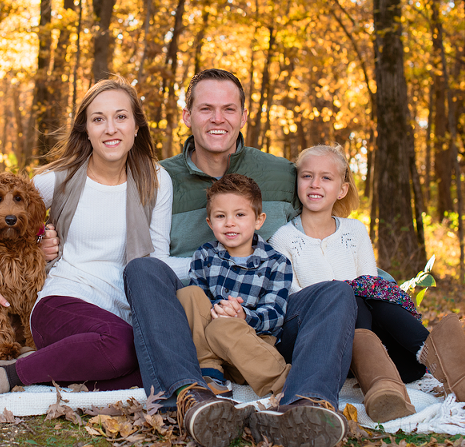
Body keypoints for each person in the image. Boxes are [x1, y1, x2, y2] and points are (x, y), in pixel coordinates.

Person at [122, 69, 355, 447]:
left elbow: (323, 224)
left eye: (229, 109)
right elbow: (117, 240)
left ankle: (304, 404)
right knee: (142, 268)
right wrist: (45, 239)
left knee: (336, 292)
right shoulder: (157, 178)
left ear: (244, 116)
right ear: (187, 116)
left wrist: (370, 275)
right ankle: (190, 396)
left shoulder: (283, 174)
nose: (218, 119)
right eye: (206, 109)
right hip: (191, 328)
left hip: (266, 321)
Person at [0, 77, 173, 394]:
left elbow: (159, 262)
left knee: (149, 361)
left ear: (137, 125)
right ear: (86, 129)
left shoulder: (156, 179)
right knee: (124, 345)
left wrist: (208, 264)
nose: (110, 128)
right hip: (61, 301)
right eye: (98, 119)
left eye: (121, 116)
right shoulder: (59, 180)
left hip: (122, 308)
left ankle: (50, 365)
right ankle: (8, 375)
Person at [268, 143, 465, 421]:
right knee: (346, 294)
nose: (315, 184)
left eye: (326, 177)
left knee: (372, 298)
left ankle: (462, 378)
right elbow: (295, 304)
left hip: (383, 354)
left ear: (342, 189)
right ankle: (400, 383)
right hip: (318, 345)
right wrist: (346, 291)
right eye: (307, 176)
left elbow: (373, 291)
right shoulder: (282, 238)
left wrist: (356, 292)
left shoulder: (355, 231)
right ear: (297, 182)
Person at [178, 174, 292, 399]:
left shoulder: (276, 262)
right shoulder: (205, 255)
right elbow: (198, 305)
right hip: (210, 349)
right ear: (210, 222)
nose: (230, 222)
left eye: (240, 214)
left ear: (258, 220)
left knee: (224, 328)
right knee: (188, 293)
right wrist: (222, 309)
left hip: (250, 348)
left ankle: (285, 389)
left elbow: (275, 314)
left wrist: (242, 316)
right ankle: (210, 373)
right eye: (221, 216)